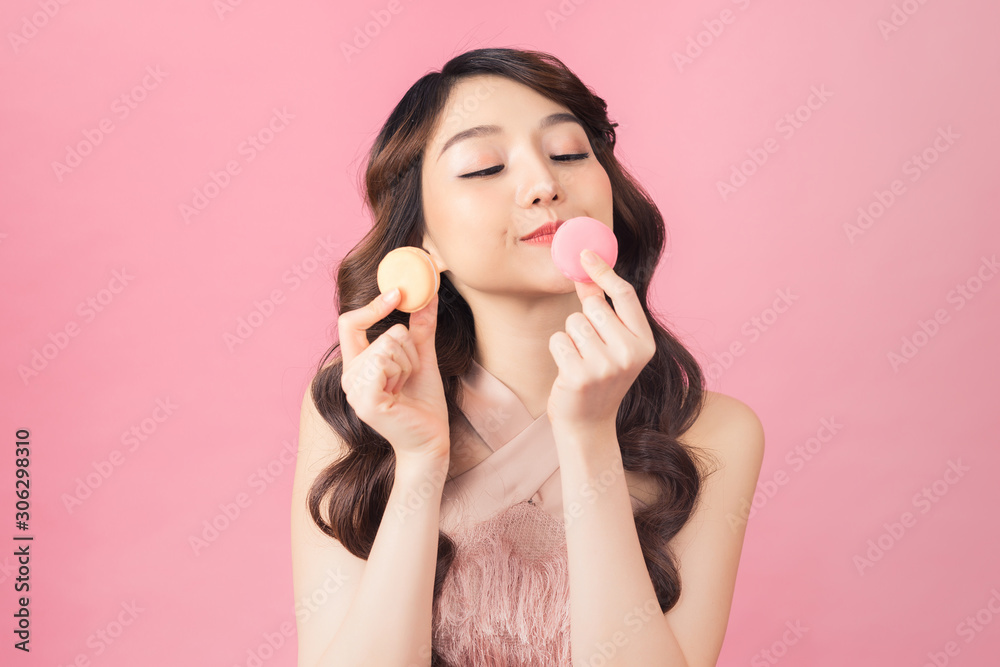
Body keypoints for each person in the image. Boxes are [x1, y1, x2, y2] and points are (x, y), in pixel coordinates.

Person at [291, 47, 765, 667]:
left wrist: (590, 436)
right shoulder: (359, 402)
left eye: (569, 154)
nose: (545, 186)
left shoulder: (717, 432)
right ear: (422, 239)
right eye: (485, 168)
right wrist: (419, 463)